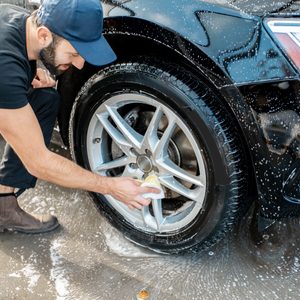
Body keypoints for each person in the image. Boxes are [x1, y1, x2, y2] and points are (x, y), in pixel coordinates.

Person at [0, 0, 159, 234]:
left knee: (45, 99)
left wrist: (29, 73)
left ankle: (3, 204)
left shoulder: (22, 23)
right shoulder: (5, 70)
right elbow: (39, 163)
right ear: (44, 35)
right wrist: (110, 186)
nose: (80, 63)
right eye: (74, 52)